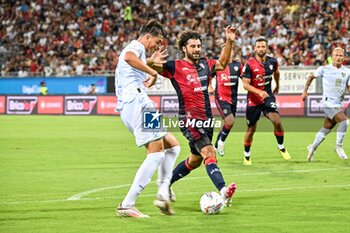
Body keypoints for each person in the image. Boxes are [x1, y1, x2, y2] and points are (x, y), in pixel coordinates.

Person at [158, 27, 237, 207]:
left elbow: (223, 64)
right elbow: (148, 66)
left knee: (195, 160)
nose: (197, 49)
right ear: (184, 48)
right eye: (192, 46)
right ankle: (224, 191)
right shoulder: (174, 67)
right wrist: (151, 63)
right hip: (189, 120)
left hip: (206, 120)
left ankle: (166, 183)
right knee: (209, 152)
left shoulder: (205, 64)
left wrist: (230, 41)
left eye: (199, 46)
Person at [114, 20, 181, 218]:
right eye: (156, 41)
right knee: (156, 154)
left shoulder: (141, 52)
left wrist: (151, 60)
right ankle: (127, 204)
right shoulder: (134, 46)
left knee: (172, 146)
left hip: (130, 104)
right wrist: (153, 72)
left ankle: (162, 192)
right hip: (139, 102)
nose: (157, 45)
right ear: (147, 36)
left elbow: (133, 63)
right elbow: (129, 57)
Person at [241, 36, 291, 165]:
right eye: (259, 46)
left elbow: (277, 73)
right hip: (253, 100)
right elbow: (245, 85)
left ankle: (281, 147)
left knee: (277, 121)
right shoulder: (249, 64)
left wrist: (277, 85)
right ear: (255, 48)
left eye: (263, 46)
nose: (261, 49)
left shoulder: (273, 61)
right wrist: (259, 92)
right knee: (251, 128)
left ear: (266, 48)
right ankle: (246, 155)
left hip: (267, 97)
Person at [301, 47, 350, 161]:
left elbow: (348, 87)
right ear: (332, 57)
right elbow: (311, 77)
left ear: (344, 57)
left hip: (337, 104)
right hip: (327, 103)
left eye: (341, 55)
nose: (338, 57)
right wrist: (305, 91)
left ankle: (312, 148)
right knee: (344, 121)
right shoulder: (324, 69)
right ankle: (338, 146)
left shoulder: (347, 71)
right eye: (336, 55)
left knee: (326, 128)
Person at [209, 44, 242, 157]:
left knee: (229, 123)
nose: (228, 52)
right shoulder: (217, 65)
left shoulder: (238, 65)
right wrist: (209, 86)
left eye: (230, 50)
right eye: (225, 50)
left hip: (233, 99)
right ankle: (222, 141)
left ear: (232, 52)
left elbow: (246, 78)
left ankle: (216, 145)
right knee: (230, 121)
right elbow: (209, 76)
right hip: (221, 98)